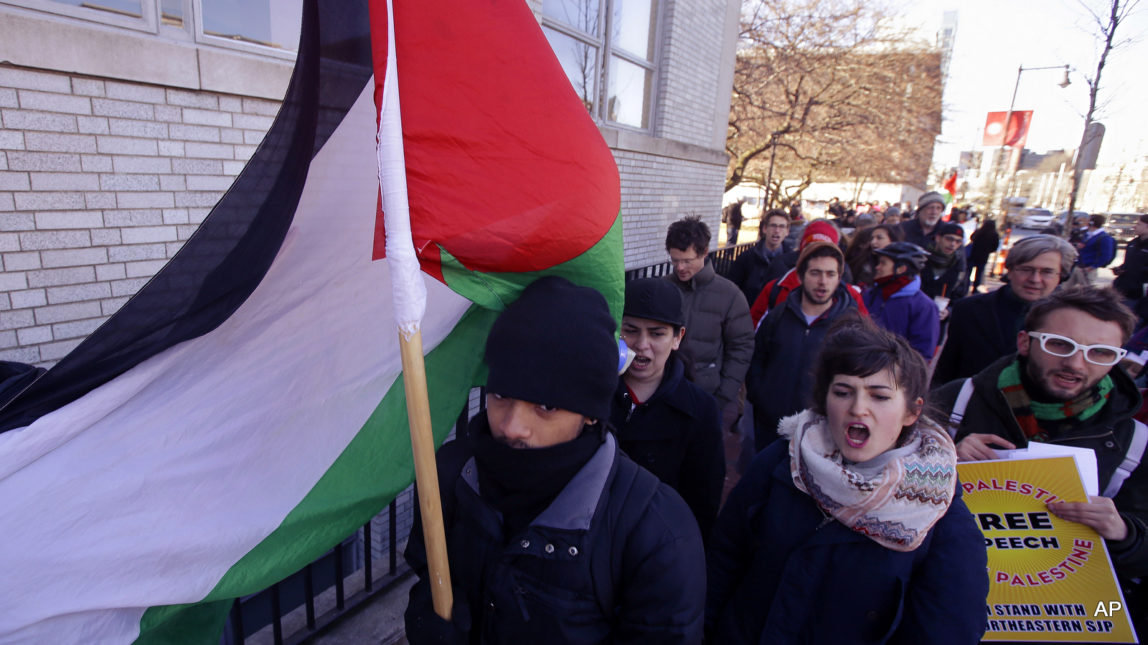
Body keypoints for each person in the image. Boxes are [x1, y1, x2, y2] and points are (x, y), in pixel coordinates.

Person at [404, 276, 705, 644]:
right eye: (500, 395)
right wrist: (426, 623)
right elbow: (428, 574)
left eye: (545, 406)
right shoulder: (451, 476)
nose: (513, 426)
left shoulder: (655, 534)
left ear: (591, 413)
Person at [708, 318, 989, 644]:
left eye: (879, 396)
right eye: (843, 392)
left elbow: (946, 631)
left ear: (911, 412)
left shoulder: (939, 517)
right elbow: (723, 560)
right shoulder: (781, 464)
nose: (858, 408)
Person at [933, 287, 1148, 622]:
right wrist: (939, 462)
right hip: (947, 606)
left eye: (1100, 353)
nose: (1076, 363)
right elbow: (876, 491)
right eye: (1059, 344)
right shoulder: (957, 401)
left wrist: (1123, 532)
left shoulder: (1135, 441)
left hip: (1059, 617)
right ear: (1025, 342)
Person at [612, 278, 724, 541]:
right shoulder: (593, 392)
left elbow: (703, 502)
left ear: (677, 338)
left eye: (656, 333)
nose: (641, 344)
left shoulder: (700, 410)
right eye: (631, 330)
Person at [746, 242, 862, 451]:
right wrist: (760, 396)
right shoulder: (778, 316)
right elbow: (757, 359)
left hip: (820, 433)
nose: (823, 282)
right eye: (815, 273)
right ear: (800, 276)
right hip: (770, 424)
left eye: (830, 274)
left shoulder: (850, 327)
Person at [932, 235, 1078, 386]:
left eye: (1047, 272)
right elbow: (945, 372)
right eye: (1026, 269)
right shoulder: (968, 309)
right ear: (1010, 271)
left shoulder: (1077, 320)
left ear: (1062, 276)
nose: (1035, 279)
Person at [664, 216, 755, 435]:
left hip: (707, 395)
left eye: (687, 260)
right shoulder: (663, 289)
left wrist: (724, 395)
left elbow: (742, 347)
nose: (680, 268)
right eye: (675, 261)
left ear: (704, 252)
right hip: (664, 390)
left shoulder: (730, 295)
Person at [863, 242, 940, 360]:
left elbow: (921, 355)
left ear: (901, 269)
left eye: (883, 263)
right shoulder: (870, 295)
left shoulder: (924, 306)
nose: (877, 267)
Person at [727, 209, 789, 306]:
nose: (777, 231)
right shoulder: (746, 258)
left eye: (782, 227)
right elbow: (731, 290)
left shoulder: (793, 262)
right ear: (764, 229)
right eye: (773, 226)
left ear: (787, 231)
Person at [920, 222, 969, 332]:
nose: (952, 244)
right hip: (911, 319)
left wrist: (949, 311)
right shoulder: (920, 260)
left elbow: (960, 298)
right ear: (938, 238)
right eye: (949, 239)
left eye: (958, 241)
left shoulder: (959, 269)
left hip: (936, 327)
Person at [1113, 214, 1148, 323]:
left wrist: (1141, 272)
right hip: (1122, 288)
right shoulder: (1133, 243)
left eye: (1138, 224)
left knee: (1130, 322)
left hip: (1138, 294)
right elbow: (1128, 263)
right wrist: (1120, 269)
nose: (1134, 227)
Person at [844, 224, 903, 288]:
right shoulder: (862, 263)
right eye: (872, 238)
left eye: (879, 238)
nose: (873, 242)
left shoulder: (904, 264)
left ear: (893, 240)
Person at [1077, 213, 1118, 280]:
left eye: (1088, 221)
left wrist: (1092, 267)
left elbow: (1106, 256)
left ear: (1091, 223)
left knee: (1085, 289)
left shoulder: (1104, 238)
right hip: (1078, 267)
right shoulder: (1087, 234)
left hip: (1087, 270)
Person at [967, 218, 1000, 290]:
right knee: (978, 274)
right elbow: (995, 247)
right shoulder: (994, 235)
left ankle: (965, 287)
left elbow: (972, 238)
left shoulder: (979, 232)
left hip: (973, 255)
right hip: (983, 257)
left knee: (968, 273)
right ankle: (975, 289)